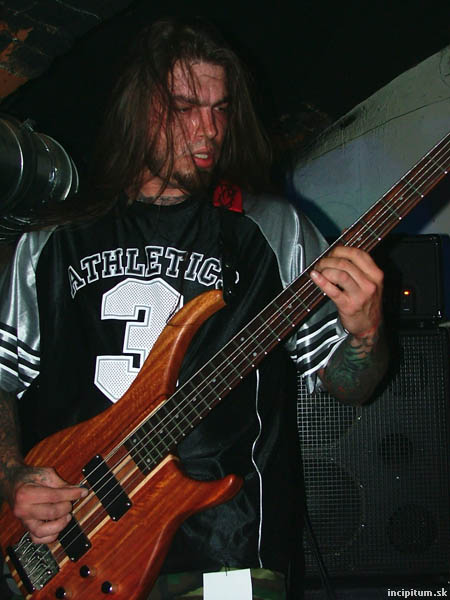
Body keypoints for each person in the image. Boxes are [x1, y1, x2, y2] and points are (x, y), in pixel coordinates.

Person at [0, 17, 388, 600]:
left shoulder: (271, 230)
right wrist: (11, 477)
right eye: (184, 107)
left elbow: (350, 385)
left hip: (230, 550)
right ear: (136, 111)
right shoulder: (51, 242)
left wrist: (365, 333)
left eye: (220, 109)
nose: (208, 130)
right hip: (79, 542)